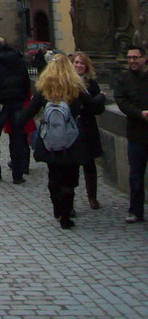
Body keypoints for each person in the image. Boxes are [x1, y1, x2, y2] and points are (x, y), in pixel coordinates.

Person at [16, 54, 93, 229]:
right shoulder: (75, 88)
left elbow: (27, 114)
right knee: (70, 178)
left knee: (54, 174)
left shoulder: (44, 90)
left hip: (49, 140)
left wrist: (18, 124)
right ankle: (66, 215)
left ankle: (57, 207)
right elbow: (95, 106)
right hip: (71, 141)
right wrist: (102, 98)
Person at [0, 37, 30, 183]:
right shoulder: (19, 59)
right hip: (17, 103)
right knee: (17, 139)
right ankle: (18, 174)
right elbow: (26, 82)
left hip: (0, 106)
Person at [114, 43, 148, 223]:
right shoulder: (123, 79)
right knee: (135, 174)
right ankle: (135, 210)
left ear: (144, 58)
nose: (132, 61)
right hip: (136, 133)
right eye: (129, 58)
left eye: (135, 57)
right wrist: (140, 113)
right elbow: (121, 102)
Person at [71, 50, 106, 210]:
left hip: (87, 126)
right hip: (72, 127)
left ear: (87, 66)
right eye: (76, 62)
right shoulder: (68, 82)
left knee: (89, 164)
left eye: (81, 63)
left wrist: (90, 104)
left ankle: (92, 196)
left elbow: (98, 108)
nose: (78, 65)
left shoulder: (91, 83)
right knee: (71, 166)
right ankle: (69, 201)